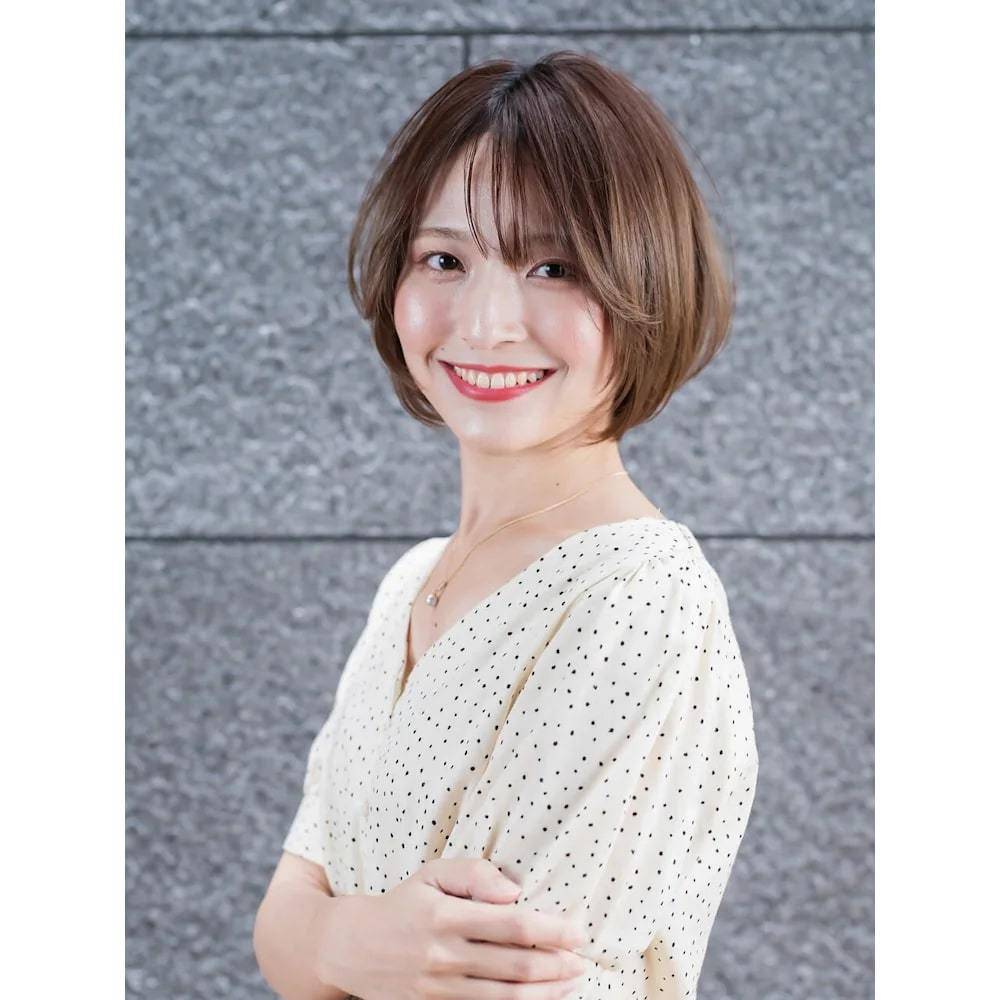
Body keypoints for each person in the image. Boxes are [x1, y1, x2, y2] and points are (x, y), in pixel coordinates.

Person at [254, 50, 759, 1000]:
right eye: (444, 259)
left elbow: (514, 978)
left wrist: (336, 939)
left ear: (647, 281)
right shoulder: (412, 584)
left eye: (553, 266)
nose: (486, 323)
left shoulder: (639, 599)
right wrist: (342, 943)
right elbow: (281, 928)